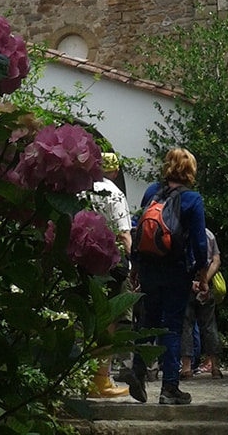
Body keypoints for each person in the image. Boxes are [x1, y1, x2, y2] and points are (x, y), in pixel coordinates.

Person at [131, 147, 209, 406]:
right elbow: (200, 243)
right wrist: (202, 274)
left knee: (147, 321)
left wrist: (134, 267)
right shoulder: (192, 199)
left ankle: (138, 372)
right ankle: (169, 389)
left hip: (149, 268)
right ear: (190, 170)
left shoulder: (152, 192)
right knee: (172, 327)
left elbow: (139, 228)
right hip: (176, 270)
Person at [86, 152, 132, 398]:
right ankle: (101, 379)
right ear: (114, 171)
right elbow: (124, 233)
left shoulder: (83, 191)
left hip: (85, 258)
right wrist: (132, 261)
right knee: (109, 319)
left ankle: (82, 376)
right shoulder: (115, 193)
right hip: (111, 261)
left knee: (87, 317)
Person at [180, 227, 223, 380]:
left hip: (187, 285)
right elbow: (216, 260)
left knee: (186, 326)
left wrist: (192, 282)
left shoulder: (182, 233)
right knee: (209, 326)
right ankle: (215, 367)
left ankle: (186, 368)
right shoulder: (209, 234)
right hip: (207, 285)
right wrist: (205, 280)